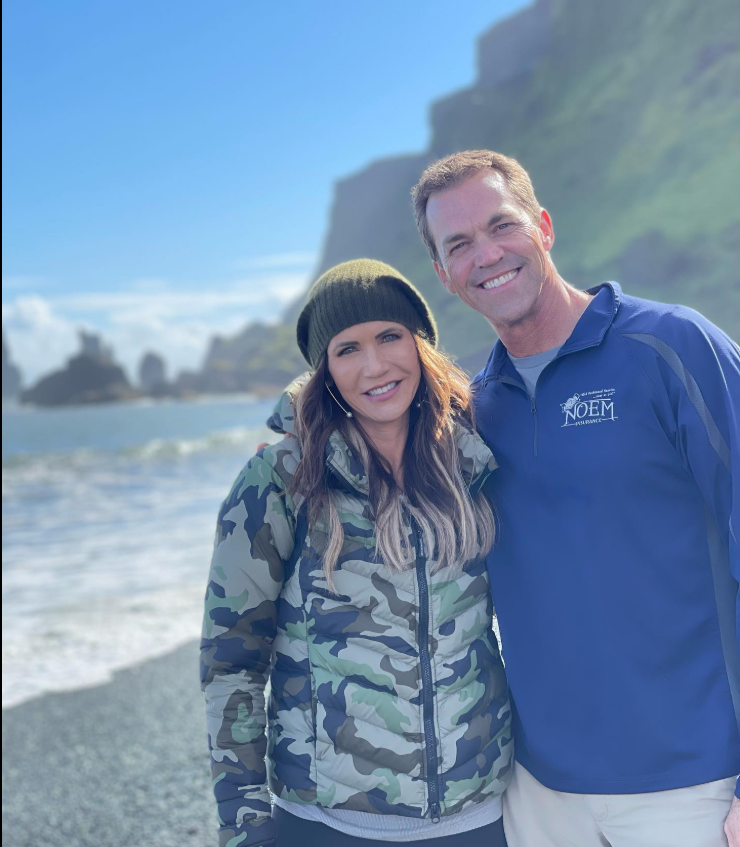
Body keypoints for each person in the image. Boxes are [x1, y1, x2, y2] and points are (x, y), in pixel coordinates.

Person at [411, 149, 740, 847]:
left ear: (544, 226)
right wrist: (295, 451)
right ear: (444, 275)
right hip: (538, 792)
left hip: (691, 784)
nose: (487, 254)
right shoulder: (472, 410)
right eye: (460, 245)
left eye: (502, 225)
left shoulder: (672, 347)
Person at [200, 259, 513, 847]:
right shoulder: (282, 476)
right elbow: (231, 660)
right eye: (348, 349)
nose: (374, 366)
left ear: (421, 345)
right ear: (325, 370)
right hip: (329, 823)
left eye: (390, 336)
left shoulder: (474, 463)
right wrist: (242, 822)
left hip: (479, 815)